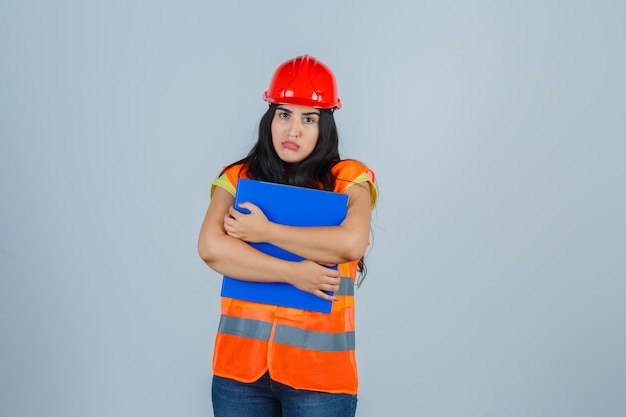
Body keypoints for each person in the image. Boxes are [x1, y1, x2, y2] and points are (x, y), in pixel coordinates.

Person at [197, 54, 378, 417]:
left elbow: (350, 243)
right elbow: (211, 248)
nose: (292, 130)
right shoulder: (237, 177)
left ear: (324, 126)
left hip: (319, 378)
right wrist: (293, 272)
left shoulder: (350, 180)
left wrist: (264, 231)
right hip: (238, 374)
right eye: (284, 114)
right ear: (270, 119)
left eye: (308, 119)